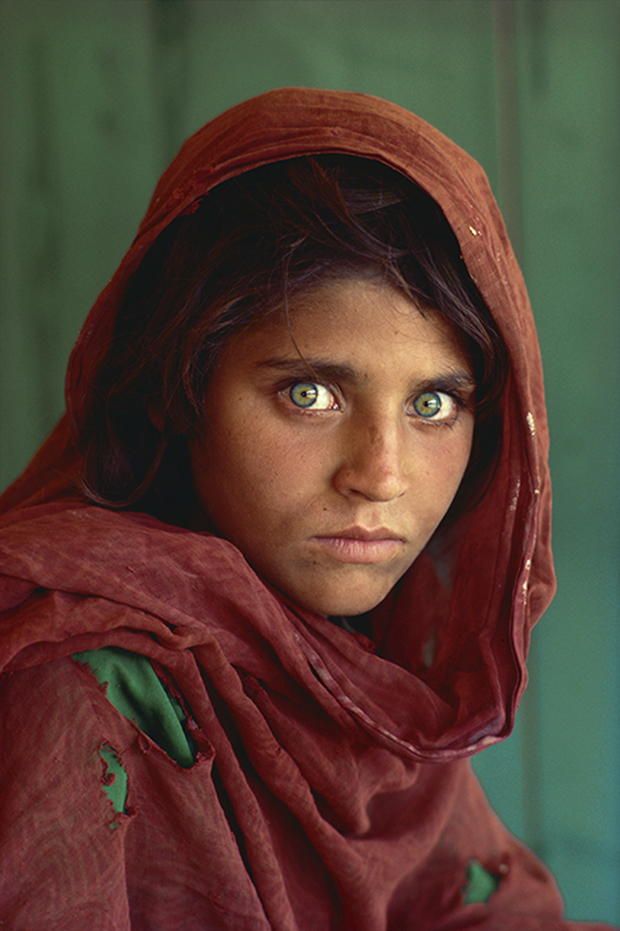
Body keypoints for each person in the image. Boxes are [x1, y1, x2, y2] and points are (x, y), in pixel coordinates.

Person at [0, 88, 614, 931]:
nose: (381, 476)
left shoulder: (357, 677)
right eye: (309, 391)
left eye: (433, 404)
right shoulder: (73, 683)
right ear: (176, 390)